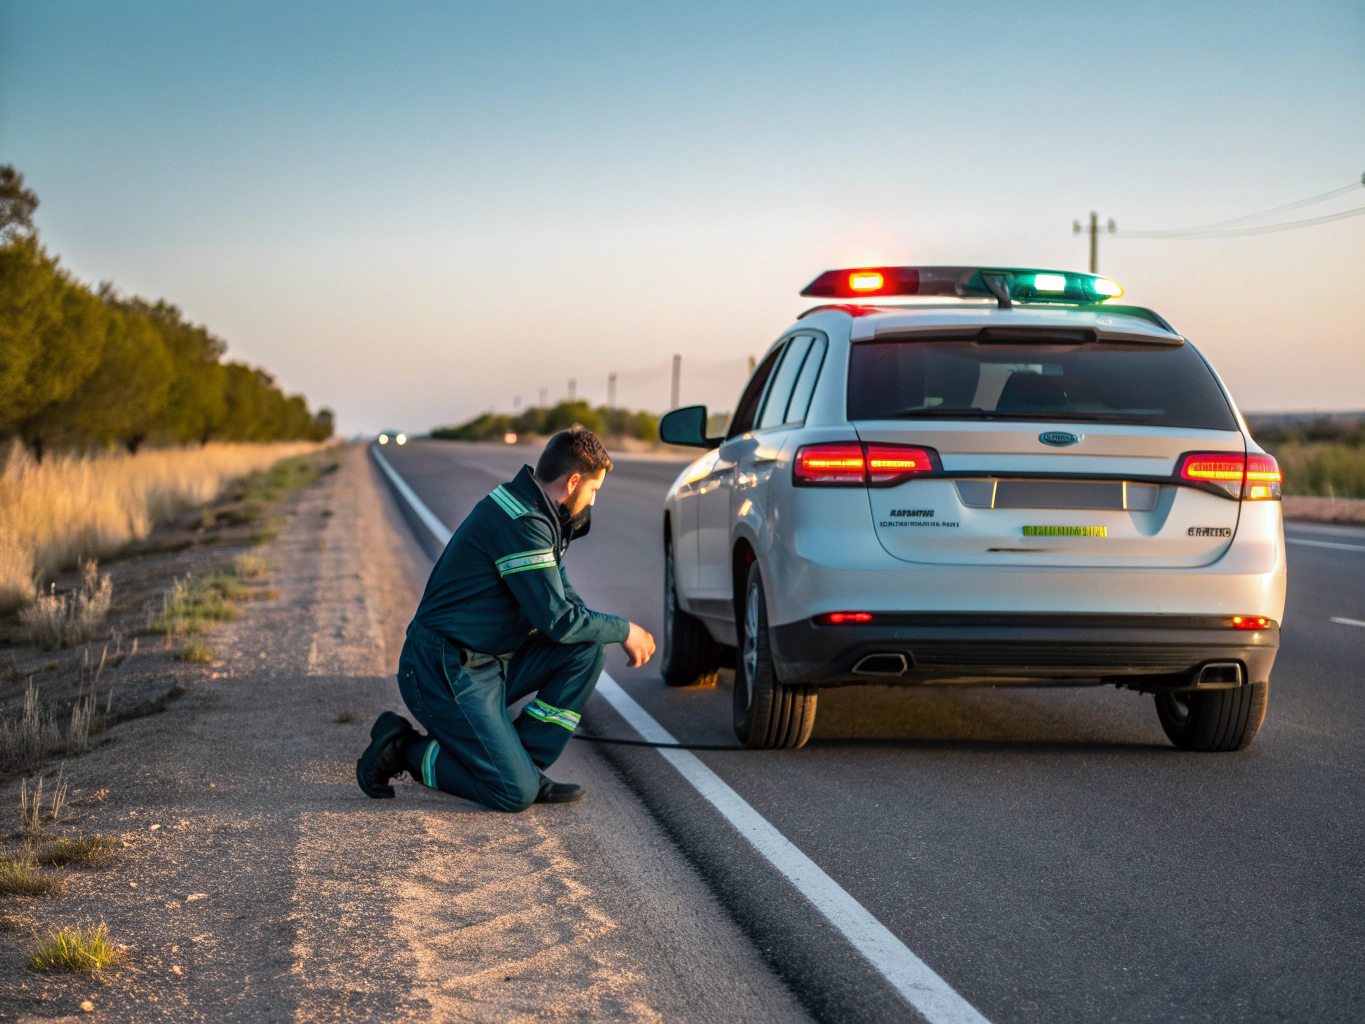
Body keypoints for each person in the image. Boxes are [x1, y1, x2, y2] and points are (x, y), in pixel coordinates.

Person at [356, 426, 656, 810]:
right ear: (573, 482)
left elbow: (566, 599)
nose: (593, 501)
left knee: (587, 650)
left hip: (487, 663)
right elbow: (558, 621)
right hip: (444, 670)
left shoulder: (539, 512)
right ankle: (404, 750)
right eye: (594, 491)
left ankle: (525, 767)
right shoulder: (524, 524)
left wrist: (605, 630)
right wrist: (625, 629)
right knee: (511, 793)